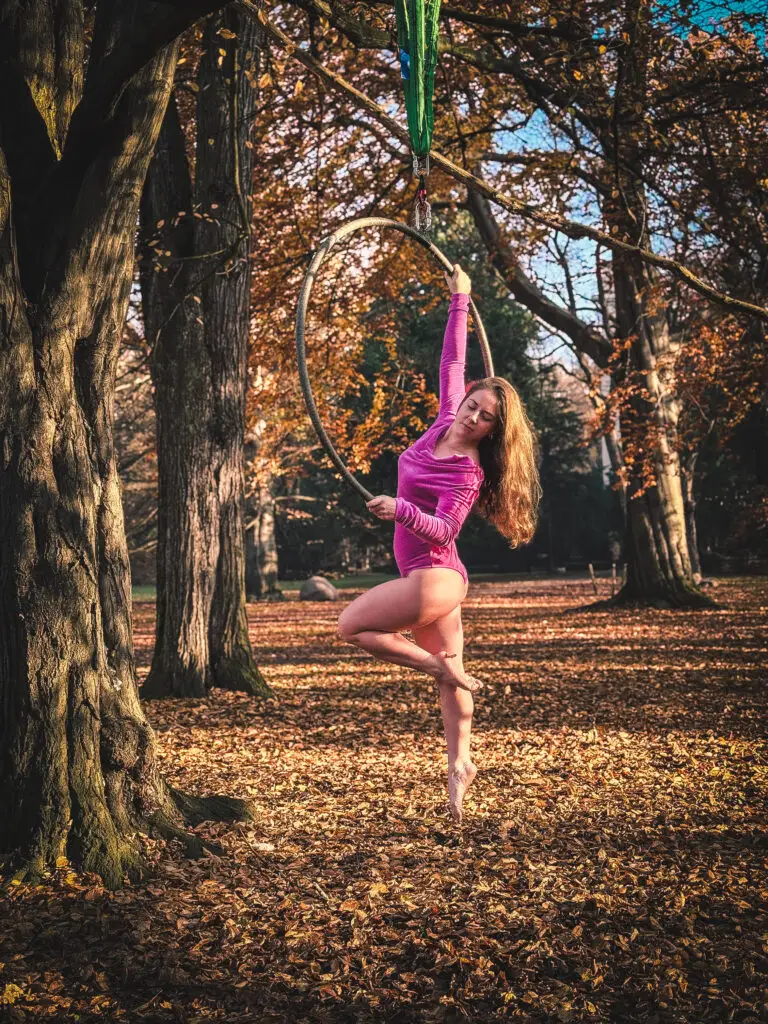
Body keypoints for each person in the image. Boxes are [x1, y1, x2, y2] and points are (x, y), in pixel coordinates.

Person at [338, 263, 541, 823]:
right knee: (452, 669)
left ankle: (439, 670)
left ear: (494, 430)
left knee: (353, 627)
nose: (472, 415)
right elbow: (452, 361)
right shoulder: (443, 418)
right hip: (434, 579)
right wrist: (460, 298)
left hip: (437, 574)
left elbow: (445, 530)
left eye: (485, 418)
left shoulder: (468, 472)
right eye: (473, 404)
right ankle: (461, 766)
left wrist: (399, 509)